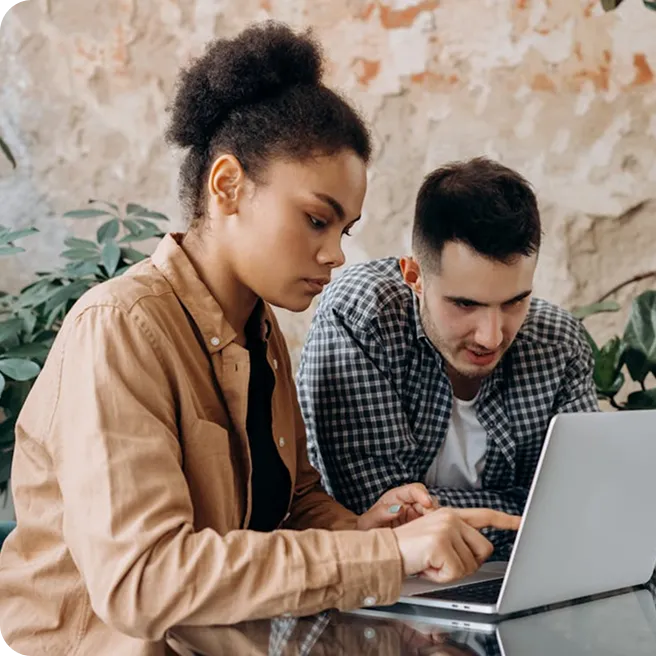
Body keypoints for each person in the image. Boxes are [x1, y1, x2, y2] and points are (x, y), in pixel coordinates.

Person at [0, 23, 520, 656]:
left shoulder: (259, 329)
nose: (334, 254)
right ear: (227, 187)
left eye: (344, 230)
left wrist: (368, 528)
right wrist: (379, 555)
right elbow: (141, 581)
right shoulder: (118, 329)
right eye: (315, 220)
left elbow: (290, 504)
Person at [297, 157, 599, 559]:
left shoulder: (559, 344)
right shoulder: (361, 315)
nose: (491, 336)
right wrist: (531, 516)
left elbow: (589, 514)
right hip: (379, 600)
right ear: (414, 276)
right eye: (464, 304)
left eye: (515, 302)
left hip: (518, 592)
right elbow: (373, 512)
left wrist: (437, 518)